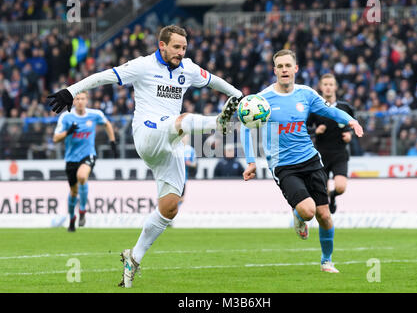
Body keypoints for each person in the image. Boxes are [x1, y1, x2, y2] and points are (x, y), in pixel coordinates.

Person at [48, 25, 243, 288]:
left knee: (170, 208)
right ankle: (218, 123)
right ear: (162, 45)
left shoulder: (187, 68)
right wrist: (70, 91)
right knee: (183, 119)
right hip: (147, 133)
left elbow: (213, 80)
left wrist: (237, 95)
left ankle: (134, 257)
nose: (181, 52)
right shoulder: (142, 66)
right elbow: (103, 76)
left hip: (170, 143)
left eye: (184, 47)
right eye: (176, 47)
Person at [240, 50, 363, 273]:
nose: (284, 70)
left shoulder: (306, 94)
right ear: (274, 70)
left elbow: (331, 111)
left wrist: (352, 121)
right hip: (284, 165)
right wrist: (250, 162)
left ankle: (327, 261)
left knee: (324, 215)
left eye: (288, 65)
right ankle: (298, 216)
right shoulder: (262, 99)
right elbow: (245, 127)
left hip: (311, 159)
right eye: (280, 66)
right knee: (308, 211)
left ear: (296, 69)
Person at [53, 91, 117, 232]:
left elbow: (107, 124)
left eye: (83, 99)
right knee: (73, 192)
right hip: (71, 159)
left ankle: (82, 210)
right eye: (77, 99)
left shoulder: (95, 114)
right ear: (73, 101)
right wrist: (68, 132)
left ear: (87, 100)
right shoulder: (66, 117)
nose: (80, 101)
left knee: (82, 176)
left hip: (88, 154)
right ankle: (72, 218)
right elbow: (55, 139)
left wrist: (112, 141)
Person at [307, 73, 355, 214]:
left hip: (339, 154)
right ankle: (326, 212)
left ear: (335, 87)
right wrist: (316, 130)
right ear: (321, 87)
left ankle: (333, 197)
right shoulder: (314, 108)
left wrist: (350, 135)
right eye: (325, 84)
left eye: (331, 84)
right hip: (321, 154)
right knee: (322, 190)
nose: (328, 87)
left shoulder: (345, 107)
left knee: (340, 187)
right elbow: (305, 128)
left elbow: (354, 125)